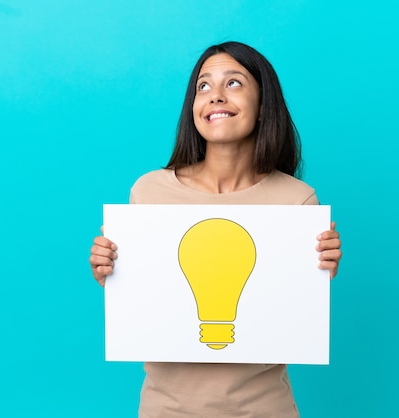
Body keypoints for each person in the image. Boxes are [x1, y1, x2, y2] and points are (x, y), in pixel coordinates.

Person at [89, 41, 342, 417]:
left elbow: (287, 309)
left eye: (234, 83)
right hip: (166, 409)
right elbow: (146, 300)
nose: (215, 96)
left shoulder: (297, 201)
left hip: (263, 409)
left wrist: (320, 268)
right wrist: (111, 270)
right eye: (203, 86)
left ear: (263, 107)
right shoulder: (149, 191)